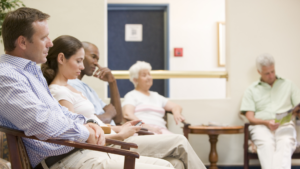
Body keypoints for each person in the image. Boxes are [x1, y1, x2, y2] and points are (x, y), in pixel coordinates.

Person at [42, 37, 207, 169]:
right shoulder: (58, 91)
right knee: (178, 143)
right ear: (61, 58)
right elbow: (77, 134)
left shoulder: (72, 88)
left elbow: (91, 124)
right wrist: (118, 133)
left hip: (105, 139)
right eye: (78, 61)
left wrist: (118, 127)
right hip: (95, 148)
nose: (81, 65)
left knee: (176, 163)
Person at [0, 7, 105, 169]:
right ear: (22, 42)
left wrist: (87, 123)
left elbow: (57, 111)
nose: (50, 43)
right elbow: (40, 121)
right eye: (44, 38)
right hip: (60, 161)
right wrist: (85, 132)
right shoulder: (5, 75)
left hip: (77, 152)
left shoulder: (31, 71)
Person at [240, 54, 300, 169]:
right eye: (267, 73)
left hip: (285, 125)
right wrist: (267, 123)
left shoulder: (289, 85)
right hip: (261, 127)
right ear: (259, 72)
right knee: (267, 146)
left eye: (273, 71)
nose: (271, 75)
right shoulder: (251, 90)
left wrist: (297, 112)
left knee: (286, 142)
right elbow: (250, 116)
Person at [122, 61, 185, 134]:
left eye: (149, 74)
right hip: (143, 131)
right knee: (179, 140)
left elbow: (176, 106)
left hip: (160, 130)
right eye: (144, 75)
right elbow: (127, 114)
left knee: (181, 140)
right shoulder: (131, 95)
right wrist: (147, 126)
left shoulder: (156, 96)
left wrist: (176, 113)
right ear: (135, 80)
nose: (148, 77)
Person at [68, 41, 122, 125]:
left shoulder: (88, 88)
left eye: (97, 59)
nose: (96, 63)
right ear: (80, 56)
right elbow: (87, 122)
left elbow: (118, 119)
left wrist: (112, 82)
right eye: (93, 57)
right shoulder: (71, 84)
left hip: (114, 132)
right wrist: (108, 114)